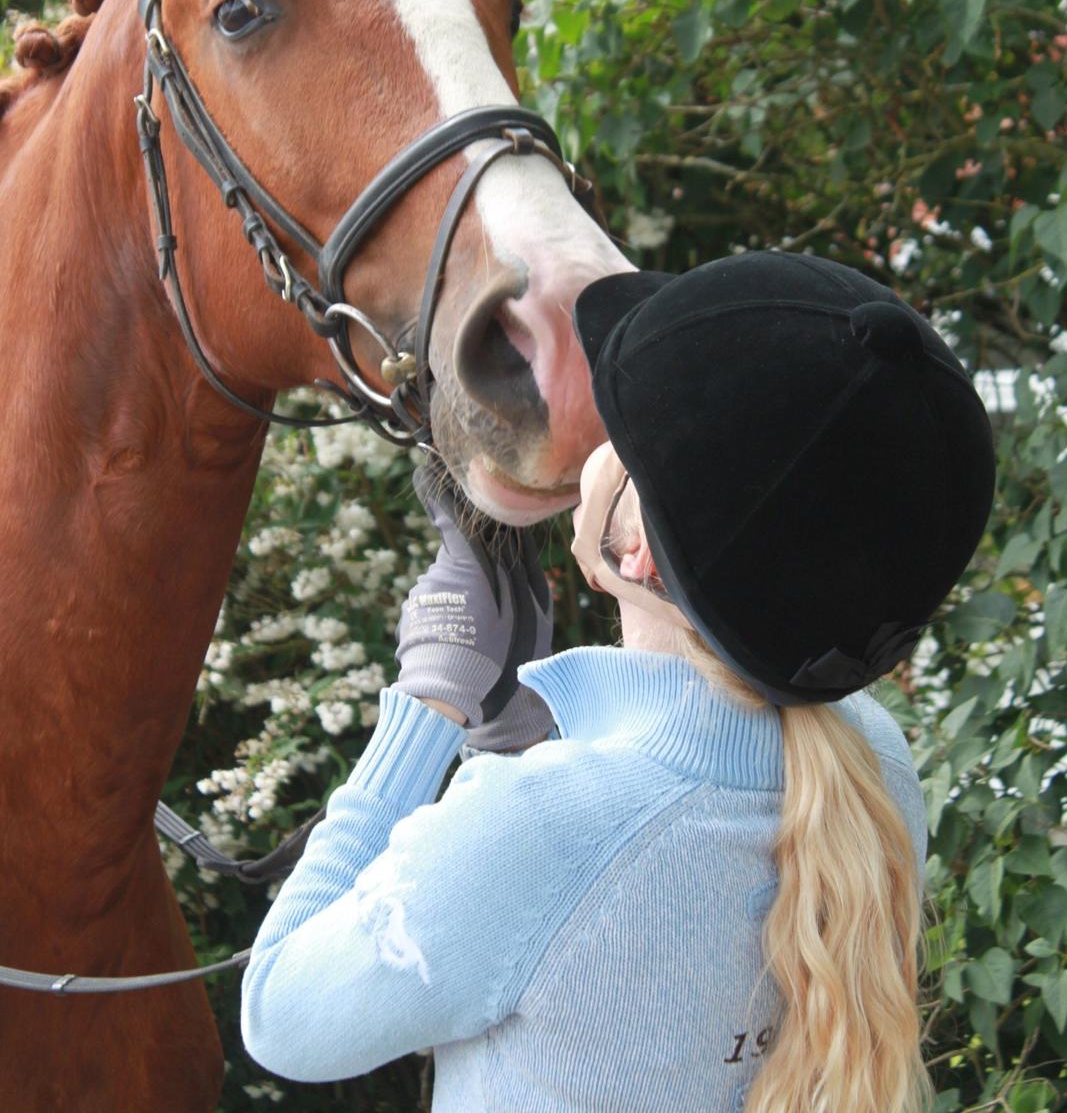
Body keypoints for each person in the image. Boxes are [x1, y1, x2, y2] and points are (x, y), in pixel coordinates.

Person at [241, 250, 995, 1113]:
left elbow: (280, 1015)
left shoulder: (539, 829)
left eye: (618, 435)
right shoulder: (874, 766)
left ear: (636, 555)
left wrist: (430, 703)